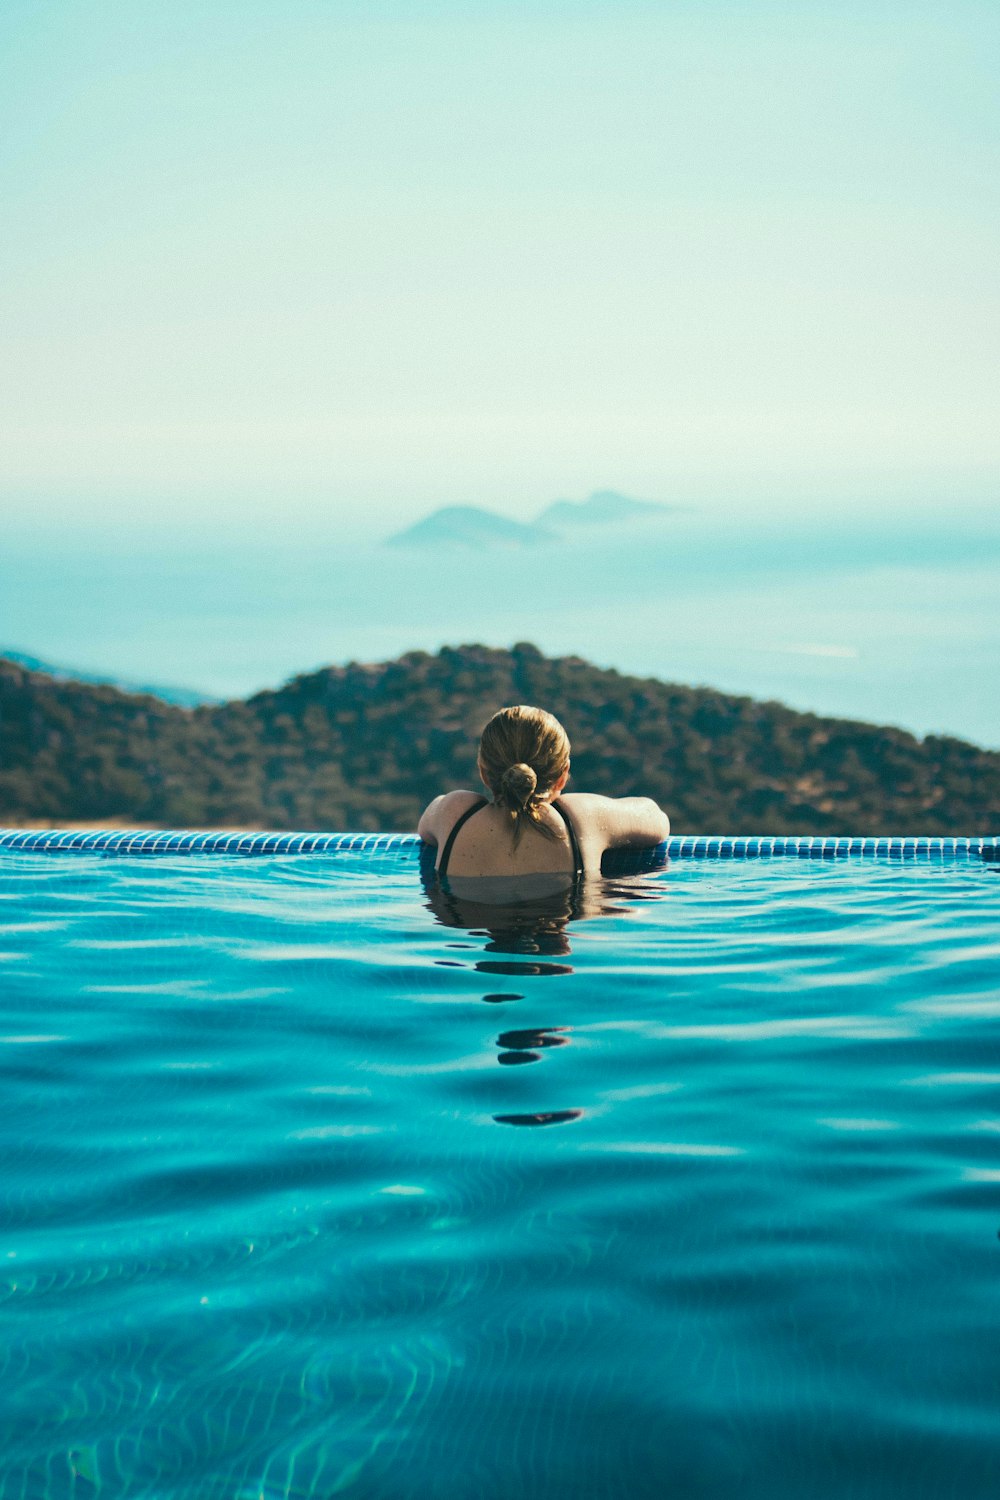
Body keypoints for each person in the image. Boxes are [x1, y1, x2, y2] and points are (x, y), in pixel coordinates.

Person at [417, 704, 669, 895]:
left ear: (483, 772)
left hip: (468, 946)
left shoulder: (455, 813)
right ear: (562, 777)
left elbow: (424, 831)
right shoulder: (580, 818)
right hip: (560, 937)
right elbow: (655, 819)